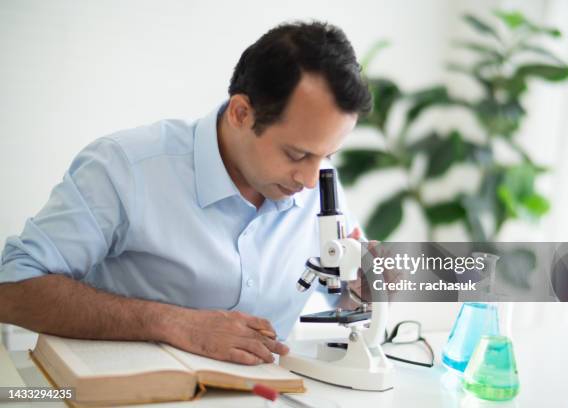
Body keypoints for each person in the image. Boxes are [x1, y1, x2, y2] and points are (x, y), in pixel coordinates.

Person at [0, 21, 371, 366]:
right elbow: (13, 286)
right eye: (297, 154)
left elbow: (340, 290)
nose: (310, 180)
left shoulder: (320, 182)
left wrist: (366, 284)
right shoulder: (123, 169)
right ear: (241, 113)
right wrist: (169, 322)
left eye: (326, 156)